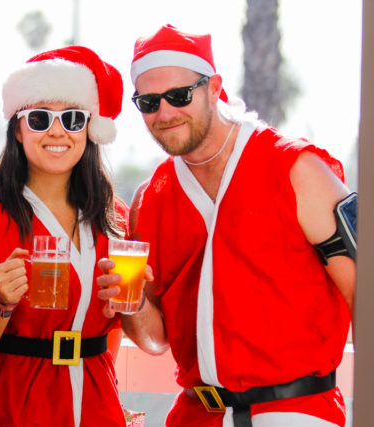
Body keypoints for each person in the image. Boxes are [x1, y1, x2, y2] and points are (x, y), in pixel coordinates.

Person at [96, 24, 356, 427]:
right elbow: (155, 338)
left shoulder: (297, 168)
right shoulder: (151, 199)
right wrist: (129, 303)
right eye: (148, 102)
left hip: (297, 412)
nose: (164, 113)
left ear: (214, 87)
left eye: (179, 96)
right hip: (196, 413)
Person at [0, 46, 129, 426]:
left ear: (90, 129)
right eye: (41, 118)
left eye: (74, 118)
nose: (58, 131)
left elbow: (113, 333)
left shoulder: (116, 220)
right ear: (18, 127)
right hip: (9, 407)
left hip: (96, 406)